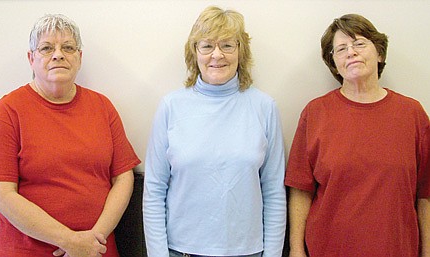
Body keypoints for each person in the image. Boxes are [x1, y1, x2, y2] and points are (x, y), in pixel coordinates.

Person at [0, 14, 141, 257]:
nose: (58, 54)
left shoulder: (102, 107)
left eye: (68, 47)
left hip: (96, 251)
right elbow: (0, 196)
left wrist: (92, 241)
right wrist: (69, 241)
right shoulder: (8, 111)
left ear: (79, 57)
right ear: (31, 58)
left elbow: (123, 178)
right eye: (46, 48)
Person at [143, 6, 287, 257]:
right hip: (182, 251)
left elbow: (274, 191)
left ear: (241, 52)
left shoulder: (264, 107)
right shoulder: (171, 106)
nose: (217, 55)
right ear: (194, 52)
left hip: (249, 251)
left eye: (227, 45)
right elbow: (154, 190)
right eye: (207, 46)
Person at [285, 13, 430, 257]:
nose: (351, 52)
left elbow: (425, 193)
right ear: (334, 64)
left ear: (380, 53)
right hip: (329, 250)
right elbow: (300, 190)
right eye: (340, 49)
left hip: (397, 249)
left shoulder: (412, 114)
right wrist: (296, 250)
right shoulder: (316, 113)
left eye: (359, 43)